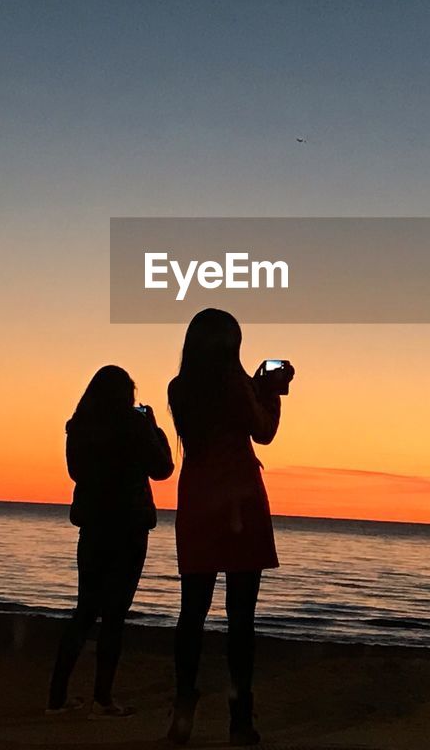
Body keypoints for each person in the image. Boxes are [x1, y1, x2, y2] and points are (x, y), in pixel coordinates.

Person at [165, 308, 294, 746]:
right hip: (239, 501)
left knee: (192, 613)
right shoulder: (236, 385)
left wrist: (255, 387)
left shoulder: (179, 389)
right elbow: (262, 431)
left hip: (199, 501)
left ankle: (183, 713)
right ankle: (240, 719)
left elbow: (216, 419)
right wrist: (272, 392)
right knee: (241, 618)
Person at [47, 364, 174, 715]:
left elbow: (76, 472)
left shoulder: (80, 429)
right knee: (115, 615)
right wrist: (152, 426)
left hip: (93, 528)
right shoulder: (134, 426)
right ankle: (103, 697)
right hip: (129, 528)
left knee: (85, 611)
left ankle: (56, 697)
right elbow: (163, 468)